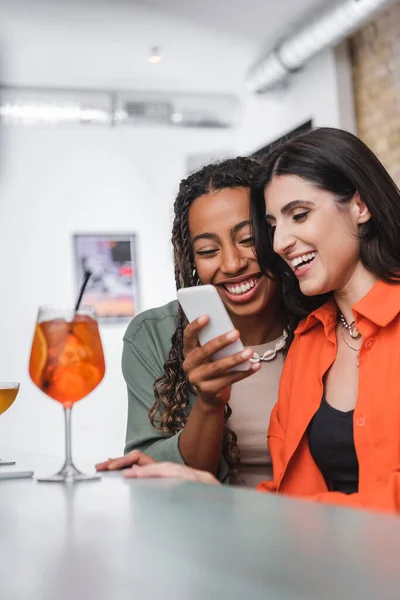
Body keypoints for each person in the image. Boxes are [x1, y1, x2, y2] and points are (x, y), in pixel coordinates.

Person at [100, 128, 400, 515]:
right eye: (273, 226)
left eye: (300, 215)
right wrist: (212, 492)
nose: (279, 244)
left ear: (360, 206)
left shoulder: (305, 330)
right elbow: (294, 494)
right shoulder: (314, 338)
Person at [97, 157, 296, 487]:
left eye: (248, 239)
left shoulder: (320, 321)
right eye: (207, 250)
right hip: (210, 530)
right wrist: (209, 402)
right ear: (191, 262)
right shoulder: (154, 335)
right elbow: (161, 473)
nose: (232, 264)